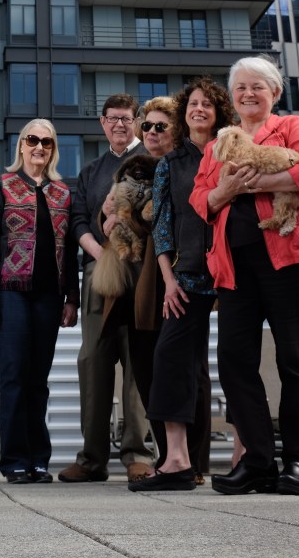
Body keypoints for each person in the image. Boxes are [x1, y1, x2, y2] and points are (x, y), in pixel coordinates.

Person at [190, 55, 299, 496]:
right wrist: (224, 190)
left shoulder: (289, 127)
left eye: (258, 86)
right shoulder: (218, 143)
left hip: (292, 259)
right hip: (235, 266)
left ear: (275, 93)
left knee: (295, 359)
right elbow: (200, 198)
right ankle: (257, 460)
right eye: (241, 87)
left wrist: (255, 184)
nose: (248, 94)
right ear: (232, 97)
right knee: (234, 361)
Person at [130, 78, 234, 491]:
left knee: (237, 362)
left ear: (218, 112)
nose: (199, 109)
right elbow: (162, 227)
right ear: (183, 113)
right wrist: (169, 281)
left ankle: (247, 456)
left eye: (208, 103)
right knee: (170, 359)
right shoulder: (171, 164)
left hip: (233, 274)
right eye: (193, 103)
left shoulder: (232, 151)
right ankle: (176, 460)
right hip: (187, 276)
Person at [58, 95, 153, 485]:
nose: (119, 125)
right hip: (100, 271)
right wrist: (99, 251)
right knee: (93, 361)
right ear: (102, 123)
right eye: (113, 119)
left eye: (126, 119)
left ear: (136, 122)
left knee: (138, 362)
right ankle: (92, 458)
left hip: (142, 270)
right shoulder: (91, 171)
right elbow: (77, 220)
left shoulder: (150, 161)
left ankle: (138, 454)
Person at [0, 119, 79, 483]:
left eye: (46, 142)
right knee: (14, 377)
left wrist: (72, 298)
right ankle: (15, 460)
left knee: (39, 380)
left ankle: (39, 460)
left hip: (49, 297)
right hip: (11, 293)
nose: (39, 147)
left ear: (53, 150)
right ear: (21, 145)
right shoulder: (2, 185)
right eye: (33, 140)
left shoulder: (63, 193)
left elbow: (70, 249)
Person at [101, 95, 177, 470]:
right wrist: (109, 218)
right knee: (142, 369)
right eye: (147, 126)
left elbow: (157, 222)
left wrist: (126, 217)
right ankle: (167, 457)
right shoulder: (126, 168)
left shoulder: (176, 164)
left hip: (169, 279)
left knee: (175, 369)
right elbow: (104, 217)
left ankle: (185, 461)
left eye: (159, 126)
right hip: (130, 281)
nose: (150, 131)